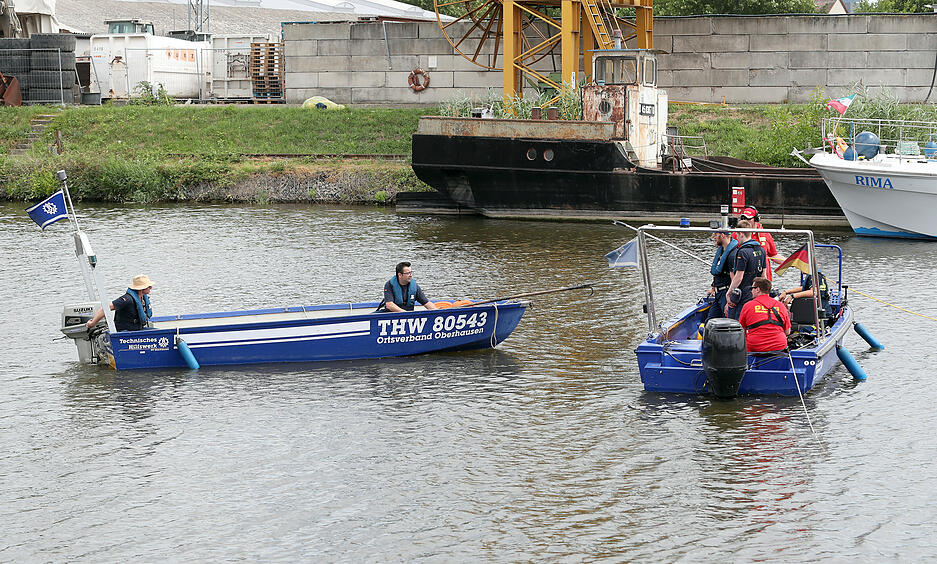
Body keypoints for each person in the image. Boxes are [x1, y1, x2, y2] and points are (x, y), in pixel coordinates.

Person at [725, 219, 766, 319]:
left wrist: (729, 293)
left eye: (737, 235)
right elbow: (764, 276)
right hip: (756, 294)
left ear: (741, 234)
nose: (737, 238)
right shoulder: (761, 250)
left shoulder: (742, 252)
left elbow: (739, 277)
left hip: (742, 295)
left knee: (736, 323)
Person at [85, 274, 155, 332]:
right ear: (141, 288)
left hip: (137, 329)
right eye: (148, 286)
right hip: (125, 332)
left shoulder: (143, 298)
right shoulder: (126, 299)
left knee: (158, 332)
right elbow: (105, 309)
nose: (151, 287)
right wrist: (92, 323)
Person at [739, 276, 791, 352]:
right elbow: (787, 331)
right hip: (779, 346)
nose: (751, 291)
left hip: (755, 347)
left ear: (757, 289)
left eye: (752, 288)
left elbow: (741, 330)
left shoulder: (748, 306)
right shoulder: (780, 305)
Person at [735, 206, 784, 282]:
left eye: (748, 218)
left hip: (763, 278)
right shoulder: (737, 234)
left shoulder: (765, 234)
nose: (745, 221)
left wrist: (790, 262)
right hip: (745, 278)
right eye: (743, 218)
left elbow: (774, 255)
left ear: (756, 219)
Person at [705, 230, 739, 322]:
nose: (714, 237)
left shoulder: (732, 255)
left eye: (716, 235)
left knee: (726, 322)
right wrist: (713, 287)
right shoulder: (721, 252)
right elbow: (718, 272)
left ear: (723, 235)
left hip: (726, 293)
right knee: (709, 322)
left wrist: (730, 301)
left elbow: (734, 279)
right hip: (718, 293)